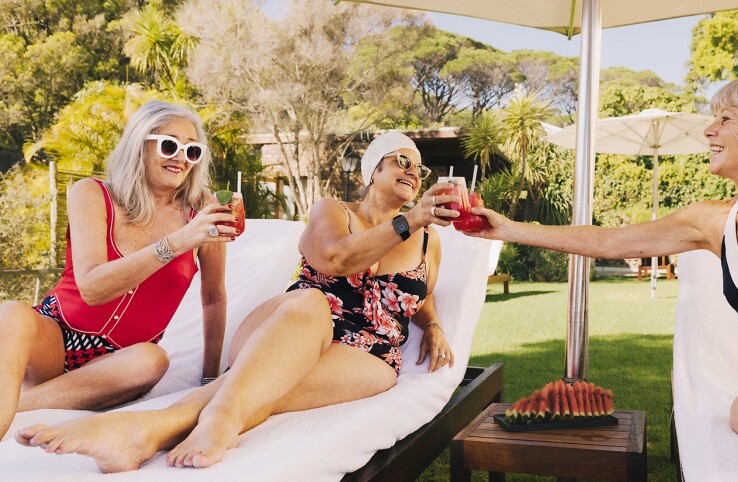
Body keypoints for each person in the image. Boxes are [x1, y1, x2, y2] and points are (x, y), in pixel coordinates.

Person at [466, 70, 738, 481]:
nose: (710, 131)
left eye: (726, 119)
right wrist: (503, 228)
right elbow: (611, 242)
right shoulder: (711, 222)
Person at [15, 132, 460, 472]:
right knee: (312, 303)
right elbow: (336, 258)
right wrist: (410, 219)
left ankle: (145, 430)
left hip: (367, 352)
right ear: (373, 170)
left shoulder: (429, 241)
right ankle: (220, 420)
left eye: (420, 169)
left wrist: (435, 323)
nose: (413, 172)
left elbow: (416, 295)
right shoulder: (334, 211)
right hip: (290, 326)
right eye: (402, 160)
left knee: (267, 386)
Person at [0, 101, 236, 440]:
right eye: (170, 145)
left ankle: (18, 403)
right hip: (56, 334)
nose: (181, 157)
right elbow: (92, 288)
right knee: (11, 313)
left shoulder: (203, 214)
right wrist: (177, 242)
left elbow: (213, 298)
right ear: (140, 144)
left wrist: (210, 379)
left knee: (152, 360)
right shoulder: (93, 194)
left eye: (192, 150)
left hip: (120, 364)